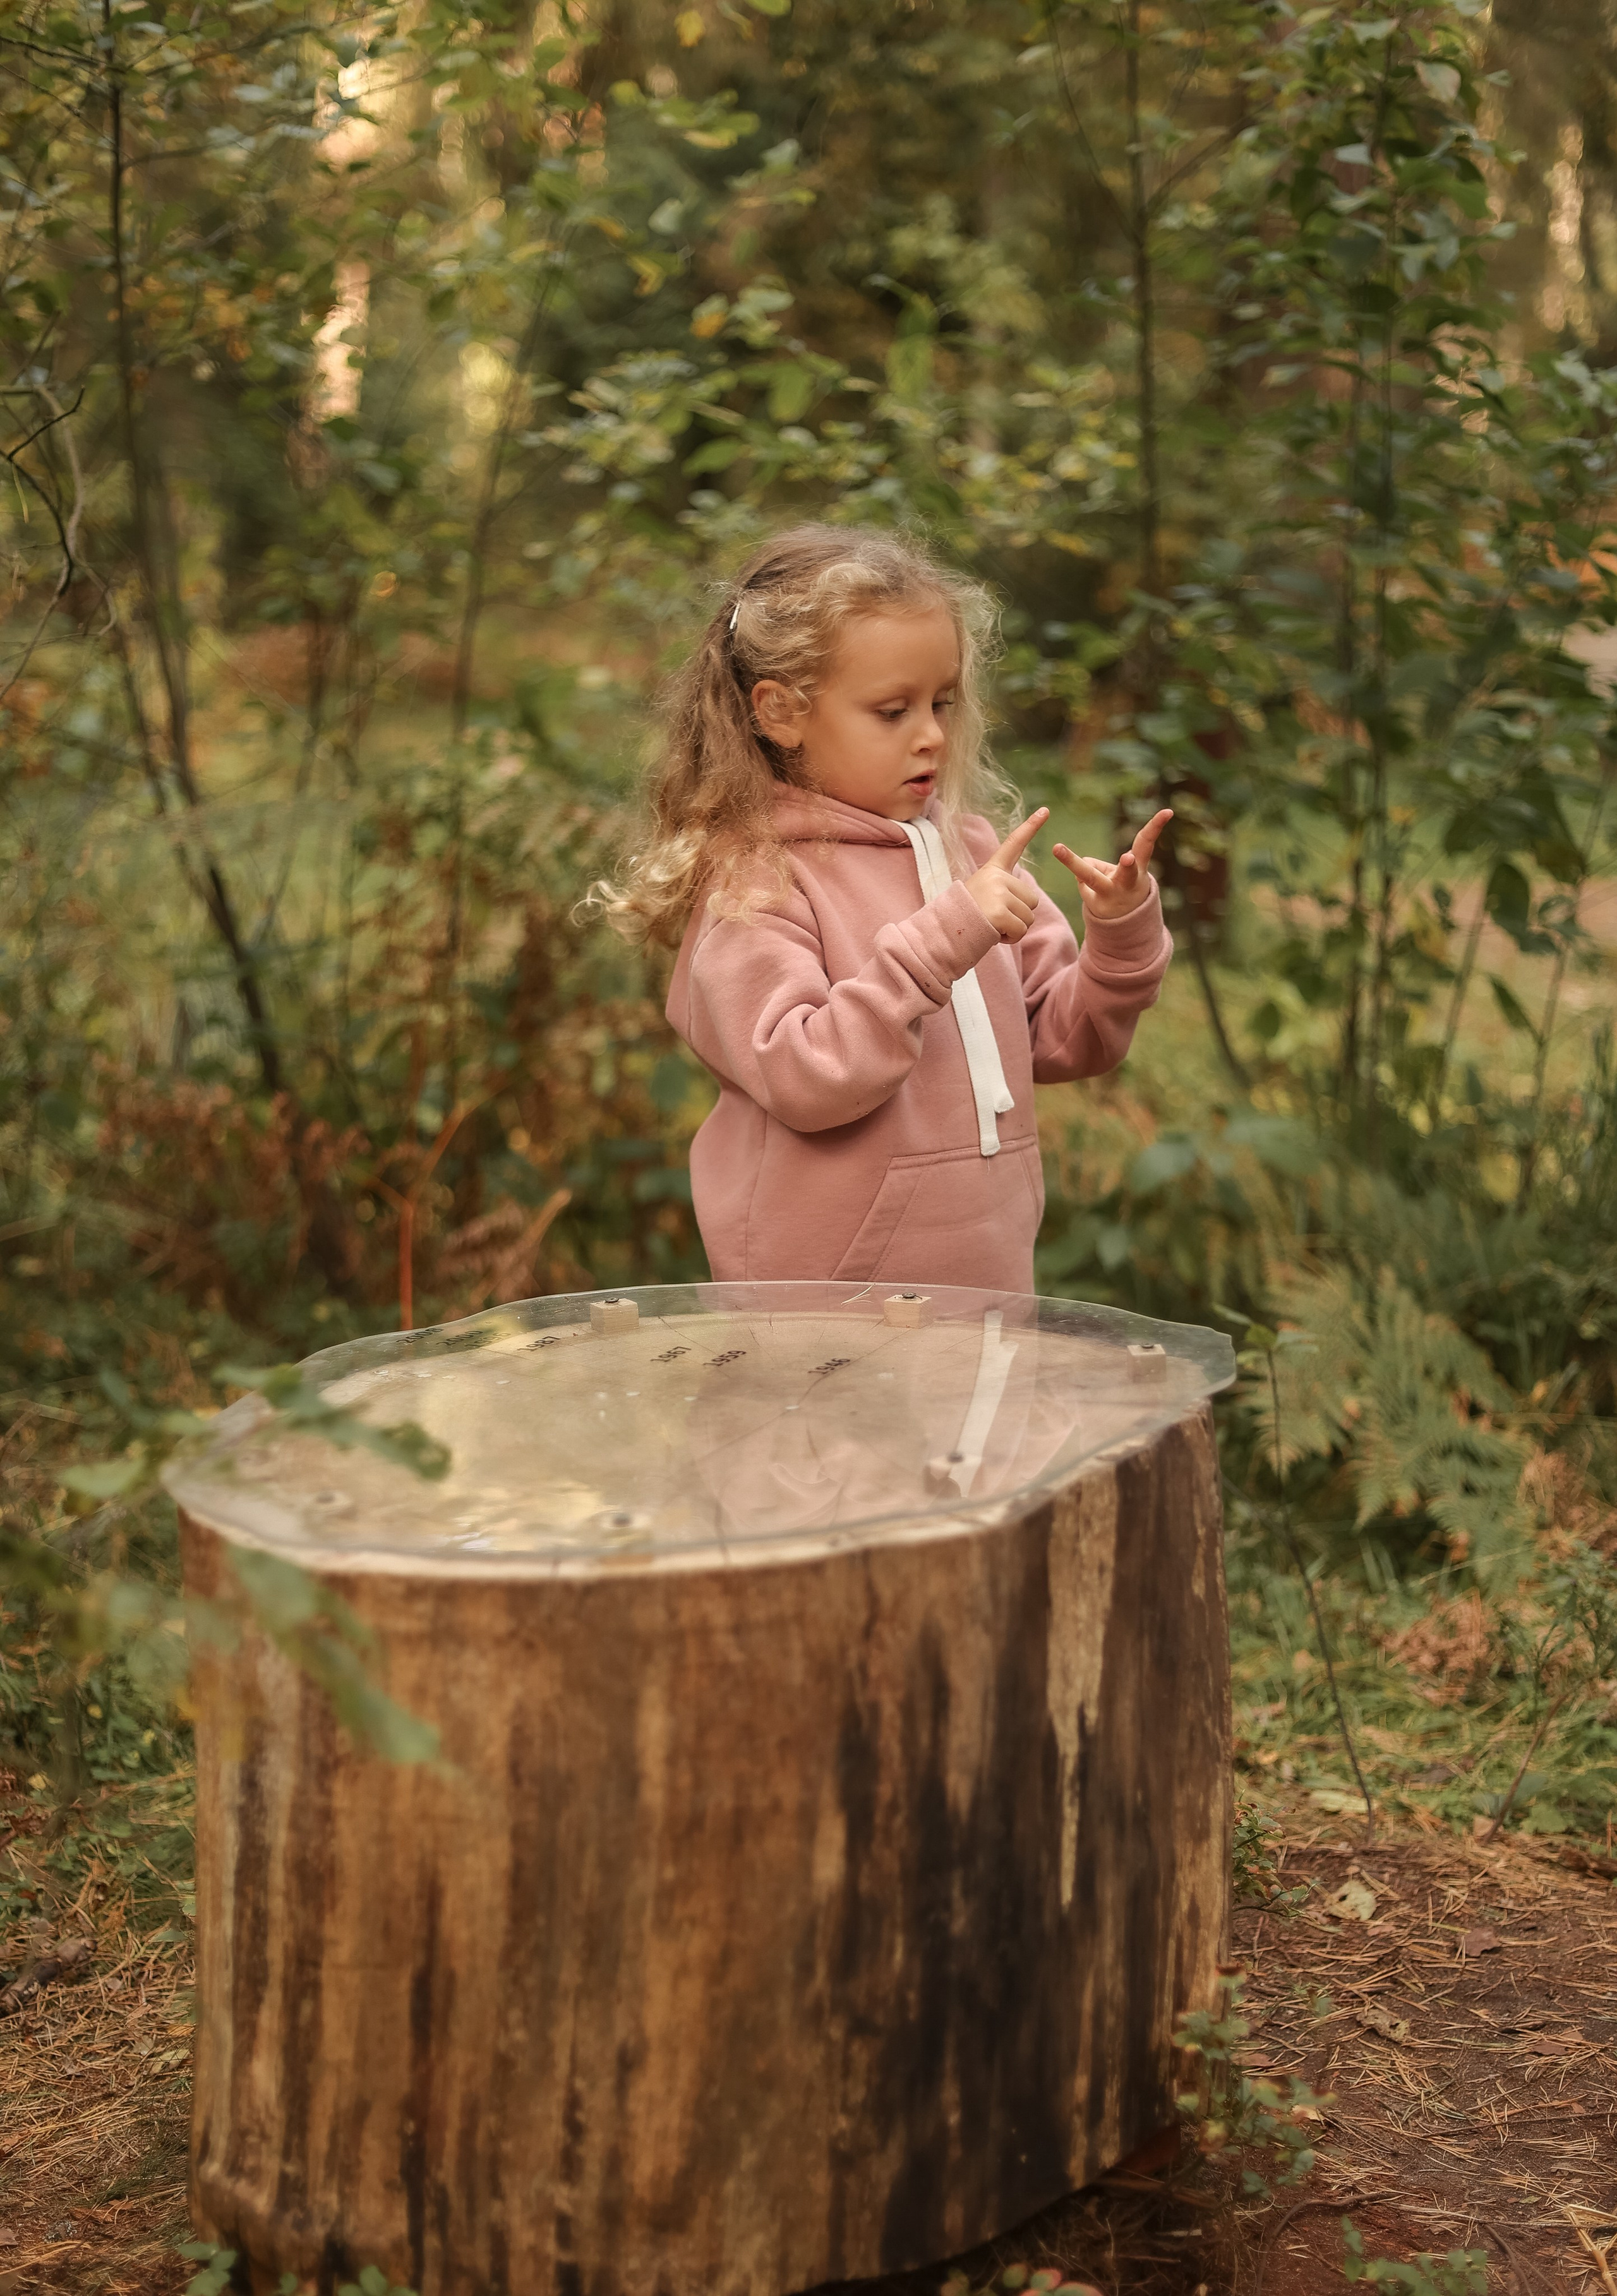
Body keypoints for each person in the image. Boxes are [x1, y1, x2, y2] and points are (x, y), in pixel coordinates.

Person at [599, 523, 1172, 1292]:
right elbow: (805, 1076)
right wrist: (943, 940)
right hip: (822, 1304)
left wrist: (1119, 934)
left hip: (987, 1278)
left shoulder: (970, 855)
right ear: (782, 713)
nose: (932, 735)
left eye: (941, 702)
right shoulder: (758, 881)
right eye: (891, 711)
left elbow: (1066, 1042)